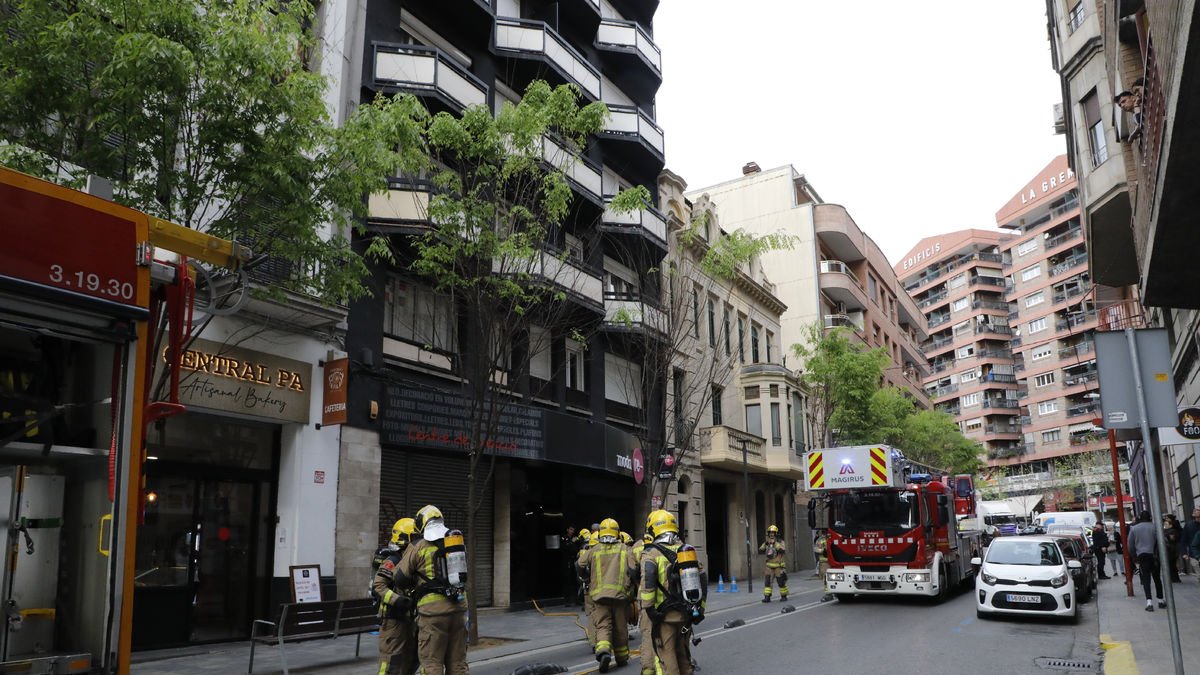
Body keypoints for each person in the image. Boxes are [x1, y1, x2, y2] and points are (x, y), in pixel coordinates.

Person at [395, 504, 468, 675]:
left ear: (422, 524)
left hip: (432, 614)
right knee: (458, 664)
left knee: (432, 663)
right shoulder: (456, 543)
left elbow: (400, 578)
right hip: (458, 610)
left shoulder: (418, 546)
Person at [640, 509, 705, 675]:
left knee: (667, 657)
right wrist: (701, 608)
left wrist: (649, 609)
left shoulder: (651, 554)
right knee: (683, 653)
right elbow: (702, 580)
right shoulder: (686, 551)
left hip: (664, 618)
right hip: (686, 615)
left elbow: (648, 584)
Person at [577, 518, 634, 672]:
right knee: (621, 628)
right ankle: (622, 658)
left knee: (603, 625)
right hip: (620, 596)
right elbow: (634, 569)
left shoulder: (594, 550)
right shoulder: (624, 549)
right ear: (617, 532)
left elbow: (580, 564)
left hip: (599, 596)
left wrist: (585, 577)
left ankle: (603, 652)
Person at [373, 518, 418, 675]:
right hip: (393, 619)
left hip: (410, 618)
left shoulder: (412, 560)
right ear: (404, 538)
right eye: (414, 537)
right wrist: (397, 600)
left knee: (411, 658)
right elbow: (378, 586)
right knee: (391, 660)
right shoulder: (393, 560)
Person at [1128, 510, 1165, 611]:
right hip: (1154, 556)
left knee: (1146, 580)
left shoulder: (1134, 529)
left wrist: (1134, 557)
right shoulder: (1155, 527)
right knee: (1157, 578)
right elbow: (1162, 541)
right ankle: (1160, 600)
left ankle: (1149, 603)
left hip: (1142, 556)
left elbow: (1130, 546)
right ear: (1150, 517)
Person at [758, 524, 788, 602]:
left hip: (778, 566)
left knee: (781, 582)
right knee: (767, 582)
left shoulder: (780, 542)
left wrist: (775, 543)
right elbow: (760, 550)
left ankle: (783, 596)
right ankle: (767, 597)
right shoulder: (767, 542)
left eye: (773, 533)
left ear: (776, 533)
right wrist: (765, 545)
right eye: (770, 533)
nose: (771, 534)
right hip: (769, 566)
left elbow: (782, 550)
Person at [562, 525, 582, 606]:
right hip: (567, 561)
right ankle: (567, 600)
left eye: (573, 530)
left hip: (575, 560)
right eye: (570, 529)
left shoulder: (576, 538)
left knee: (576, 580)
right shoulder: (564, 538)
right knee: (567, 580)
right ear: (567, 530)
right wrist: (571, 542)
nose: (572, 531)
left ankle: (577, 599)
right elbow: (564, 548)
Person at [814, 531, 833, 602]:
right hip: (825, 562)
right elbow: (816, 549)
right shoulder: (820, 540)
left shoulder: (832, 537)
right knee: (826, 577)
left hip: (834, 561)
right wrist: (823, 550)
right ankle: (828, 593)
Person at [1164, 514, 1183, 582]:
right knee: (1171, 565)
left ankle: (1175, 578)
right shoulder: (1166, 531)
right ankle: (1174, 578)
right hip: (1170, 549)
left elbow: (1173, 539)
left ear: (1170, 525)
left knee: (1172, 564)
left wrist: (1167, 536)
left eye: (1166, 524)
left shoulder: (1172, 531)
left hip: (1172, 550)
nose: (1165, 526)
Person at [1182, 508, 1200, 576]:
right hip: (1194, 555)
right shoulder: (1189, 525)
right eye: (1194, 510)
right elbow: (1183, 540)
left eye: (1198, 510)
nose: (1195, 511)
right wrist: (1184, 553)